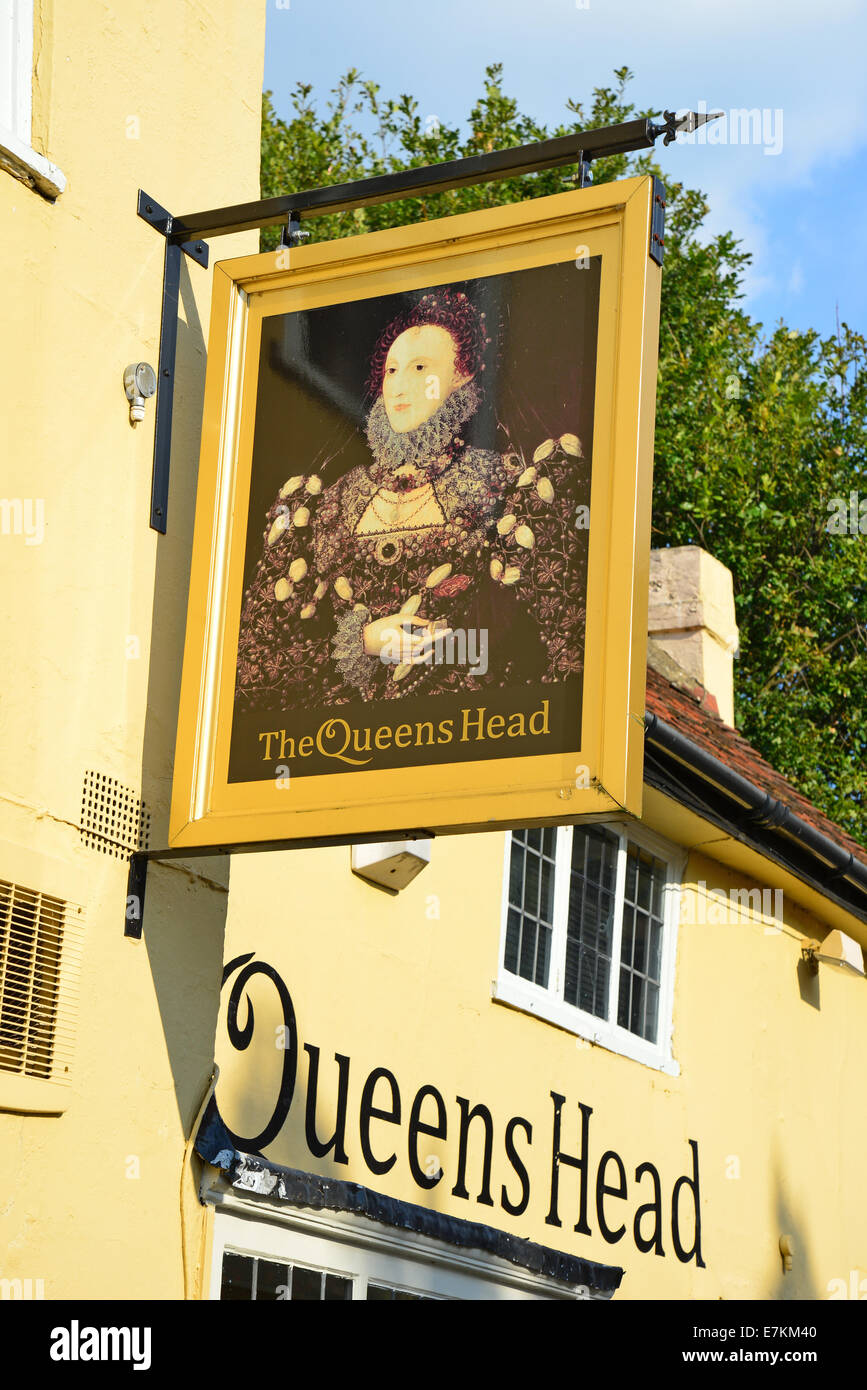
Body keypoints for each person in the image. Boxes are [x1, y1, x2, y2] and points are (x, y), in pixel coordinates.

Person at [234, 286, 585, 712]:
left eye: (421, 368)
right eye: (392, 371)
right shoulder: (322, 506)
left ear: (463, 376)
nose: (400, 388)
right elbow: (252, 673)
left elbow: (571, 651)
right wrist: (361, 642)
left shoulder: (511, 489)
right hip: (333, 749)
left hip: (465, 738)